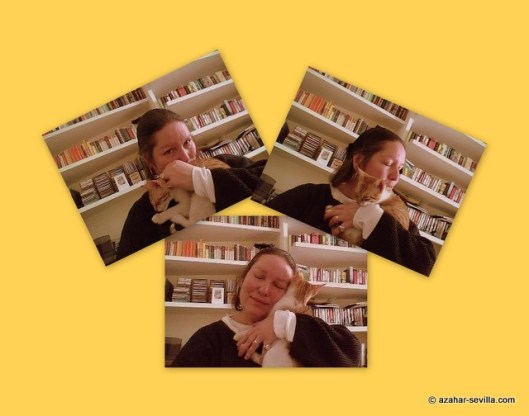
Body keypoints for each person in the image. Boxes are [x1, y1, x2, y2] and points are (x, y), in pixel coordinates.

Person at [265, 126, 436, 276]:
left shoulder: (394, 215)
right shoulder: (310, 196)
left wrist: (372, 218)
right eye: (387, 163)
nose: (395, 177)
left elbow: (426, 266)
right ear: (358, 161)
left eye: (400, 169)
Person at [116, 109, 266, 260]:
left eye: (187, 142)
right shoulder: (142, 212)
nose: (185, 156)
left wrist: (201, 179)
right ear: (150, 162)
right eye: (169, 151)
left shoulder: (228, 162)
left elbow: (269, 186)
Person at [173, 247, 362, 367]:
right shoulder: (209, 338)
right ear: (243, 279)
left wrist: (281, 323)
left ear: (289, 293)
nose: (264, 290)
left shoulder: (300, 328)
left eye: (279, 285)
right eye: (258, 276)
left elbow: (352, 355)